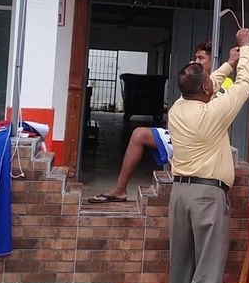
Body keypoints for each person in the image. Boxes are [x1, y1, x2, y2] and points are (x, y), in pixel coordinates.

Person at [167, 28, 249, 283]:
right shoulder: (212, 114)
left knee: (181, 269)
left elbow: (210, 83)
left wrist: (229, 63)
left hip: (179, 195)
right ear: (206, 89)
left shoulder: (177, 108)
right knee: (207, 272)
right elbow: (245, 84)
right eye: (208, 80)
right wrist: (246, 49)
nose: (211, 82)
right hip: (207, 196)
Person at [89, 41, 237, 204]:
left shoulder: (225, 83)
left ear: (213, 60)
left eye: (201, 58)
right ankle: (119, 189)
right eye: (195, 58)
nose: (196, 61)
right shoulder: (191, 80)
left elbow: (212, 113)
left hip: (202, 142)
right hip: (181, 135)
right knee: (139, 134)